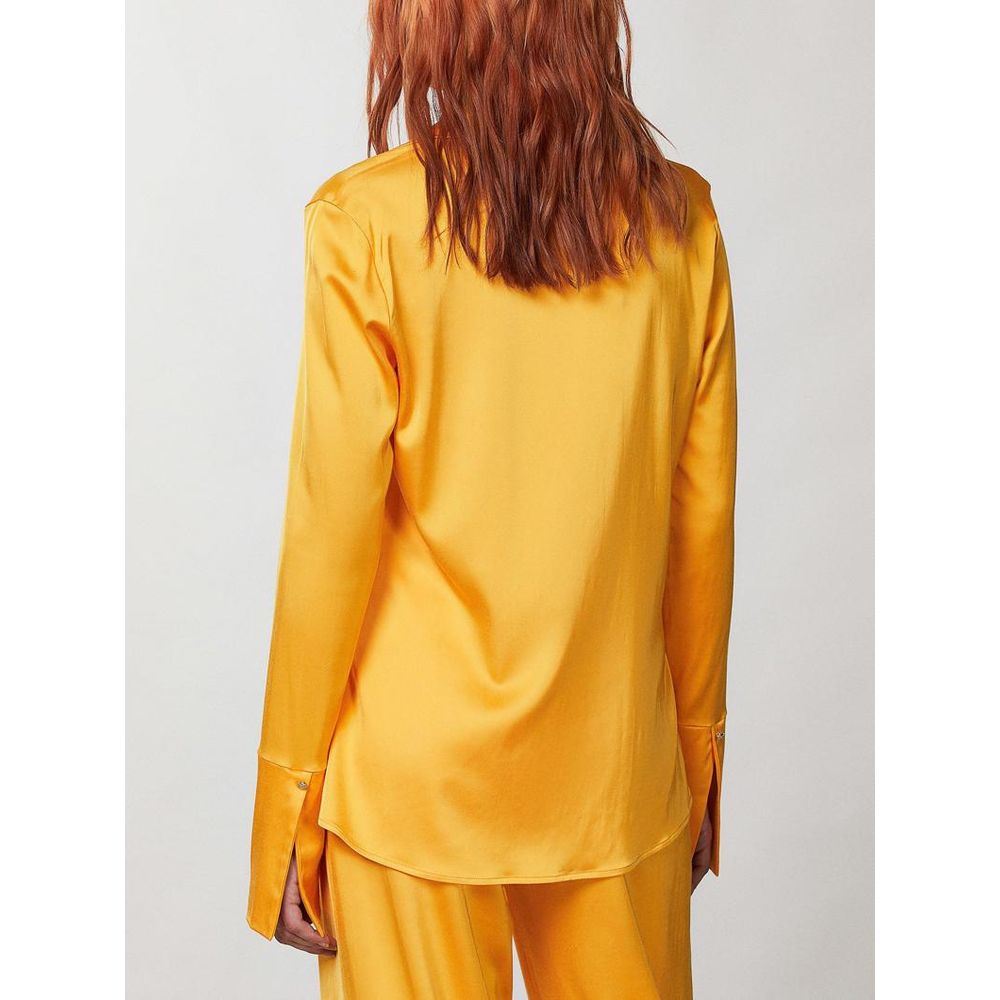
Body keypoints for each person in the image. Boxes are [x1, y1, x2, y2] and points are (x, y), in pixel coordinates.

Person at [247, 2, 737, 996]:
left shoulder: (366, 223)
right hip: (613, 770)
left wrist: (289, 802)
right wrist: (694, 768)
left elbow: (329, 537)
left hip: (412, 782)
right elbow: (702, 524)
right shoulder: (682, 224)